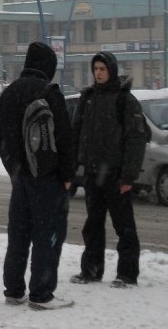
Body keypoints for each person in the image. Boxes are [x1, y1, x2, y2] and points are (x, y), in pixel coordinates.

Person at [0, 41, 75, 310]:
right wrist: (67, 174)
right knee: (47, 235)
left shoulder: (8, 94)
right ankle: (42, 294)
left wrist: (15, 169)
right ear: (47, 67)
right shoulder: (49, 93)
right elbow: (64, 137)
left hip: (21, 179)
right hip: (47, 178)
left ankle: (14, 290)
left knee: (18, 235)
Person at [70, 51, 147, 289]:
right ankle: (91, 270)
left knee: (124, 226)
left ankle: (127, 274)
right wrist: (73, 167)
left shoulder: (125, 99)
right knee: (92, 225)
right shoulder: (89, 97)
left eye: (103, 69)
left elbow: (136, 139)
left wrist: (128, 176)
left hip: (115, 175)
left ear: (111, 70)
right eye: (96, 69)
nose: (98, 73)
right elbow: (77, 132)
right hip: (93, 173)